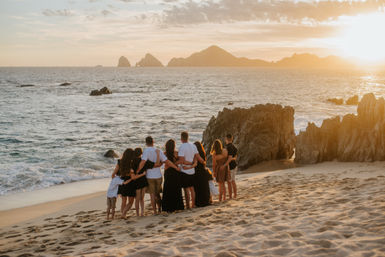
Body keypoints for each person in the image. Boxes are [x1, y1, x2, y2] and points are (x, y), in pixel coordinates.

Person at [136, 136, 172, 215]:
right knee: (157, 194)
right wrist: (175, 167)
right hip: (158, 175)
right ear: (153, 141)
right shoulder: (158, 150)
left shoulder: (146, 151)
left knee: (152, 195)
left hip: (150, 176)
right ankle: (159, 208)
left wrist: (138, 170)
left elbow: (143, 161)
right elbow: (166, 161)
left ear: (146, 143)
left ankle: (155, 212)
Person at [123, 147, 162, 218]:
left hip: (136, 181)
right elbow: (156, 164)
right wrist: (159, 158)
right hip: (143, 180)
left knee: (137, 199)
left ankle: (137, 214)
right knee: (142, 199)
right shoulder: (144, 161)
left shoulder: (132, 162)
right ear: (141, 153)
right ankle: (142, 213)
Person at [178, 131, 203, 209]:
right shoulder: (193, 146)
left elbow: (181, 161)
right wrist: (203, 162)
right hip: (192, 171)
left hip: (185, 170)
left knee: (186, 189)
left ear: (181, 138)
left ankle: (188, 205)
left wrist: (175, 163)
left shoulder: (182, 147)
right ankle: (193, 204)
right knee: (192, 188)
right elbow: (198, 157)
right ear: (187, 137)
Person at [161, 139, 185, 212]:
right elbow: (181, 161)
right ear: (174, 146)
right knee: (176, 188)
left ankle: (168, 207)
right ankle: (178, 206)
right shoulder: (176, 153)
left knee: (168, 189)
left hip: (168, 172)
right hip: (176, 172)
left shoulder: (165, 153)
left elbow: (161, 162)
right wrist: (175, 164)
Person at [112, 148, 136, 214]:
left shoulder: (119, 162)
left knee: (123, 201)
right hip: (130, 183)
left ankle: (123, 213)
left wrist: (115, 183)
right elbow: (132, 176)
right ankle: (124, 213)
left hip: (122, 182)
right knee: (130, 202)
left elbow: (113, 174)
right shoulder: (132, 163)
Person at [193, 141, 211, 207]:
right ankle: (206, 200)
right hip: (202, 171)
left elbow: (198, 161)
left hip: (197, 171)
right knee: (204, 187)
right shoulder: (203, 153)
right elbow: (203, 162)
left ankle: (199, 202)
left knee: (198, 188)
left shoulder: (196, 154)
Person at [224, 134, 238, 199]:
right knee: (233, 181)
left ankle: (230, 196)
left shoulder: (228, 147)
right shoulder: (234, 147)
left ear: (226, 139)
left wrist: (225, 165)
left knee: (229, 182)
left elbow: (229, 157)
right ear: (232, 139)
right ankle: (235, 195)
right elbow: (235, 157)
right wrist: (231, 159)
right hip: (234, 165)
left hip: (230, 167)